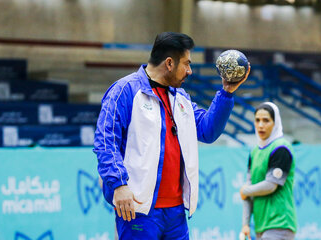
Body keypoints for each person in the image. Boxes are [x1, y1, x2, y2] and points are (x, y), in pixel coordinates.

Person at [94, 32, 250, 240]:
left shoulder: (181, 98)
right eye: (186, 64)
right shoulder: (125, 91)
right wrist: (119, 185)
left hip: (176, 213)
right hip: (139, 210)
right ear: (169, 63)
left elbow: (207, 130)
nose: (190, 71)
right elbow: (106, 141)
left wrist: (227, 92)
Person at [239, 102, 297, 240]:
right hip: (261, 226)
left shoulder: (281, 148)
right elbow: (249, 189)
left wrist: (244, 191)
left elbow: (271, 185)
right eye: (257, 120)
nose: (260, 125)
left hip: (280, 223)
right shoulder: (254, 152)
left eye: (266, 120)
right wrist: (245, 224)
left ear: (275, 122)